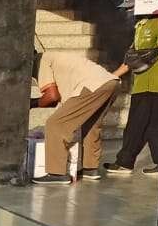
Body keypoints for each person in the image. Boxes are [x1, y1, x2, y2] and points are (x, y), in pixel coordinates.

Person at [34, 48, 120, 184]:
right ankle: (90, 169)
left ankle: (56, 173)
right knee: (91, 124)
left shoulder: (41, 61)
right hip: (110, 82)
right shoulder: (54, 56)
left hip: (91, 85)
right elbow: (55, 100)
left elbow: (51, 97)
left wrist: (31, 103)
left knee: (55, 124)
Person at [106, 12, 158, 176]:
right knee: (136, 126)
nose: (130, 11)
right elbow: (131, 59)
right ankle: (126, 163)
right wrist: (110, 76)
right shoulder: (140, 27)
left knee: (154, 127)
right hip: (141, 84)